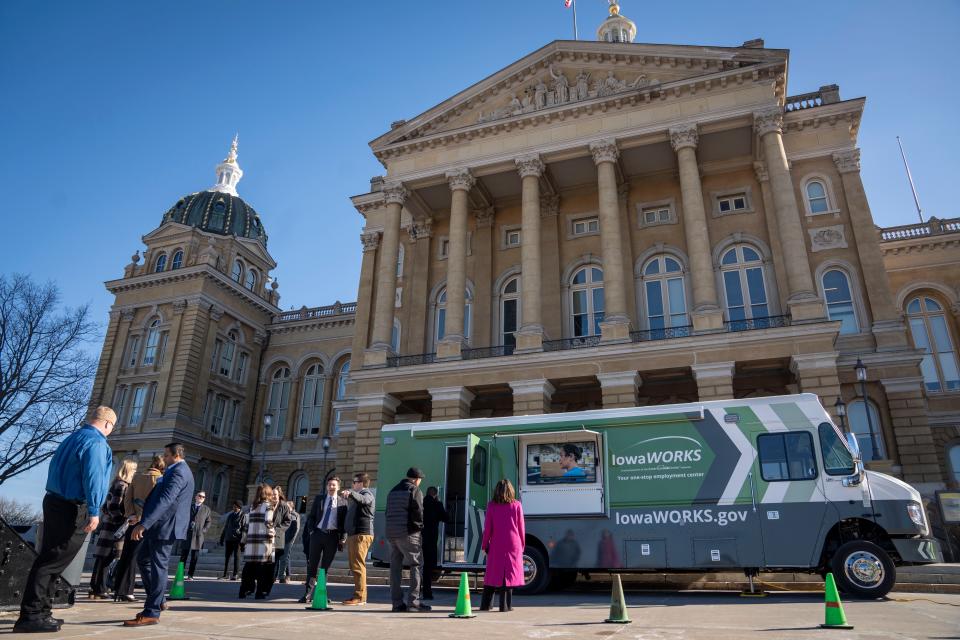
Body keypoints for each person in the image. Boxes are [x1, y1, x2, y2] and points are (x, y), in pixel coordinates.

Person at [14, 406, 116, 634]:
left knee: (50, 557)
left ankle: (41, 612)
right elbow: (94, 477)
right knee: (54, 560)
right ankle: (31, 614)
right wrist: (94, 510)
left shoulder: (72, 438)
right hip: (72, 507)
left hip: (53, 501)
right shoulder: (97, 443)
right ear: (108, 424)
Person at [123, 442, 195, 627]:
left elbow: (166, 500)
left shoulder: (179, 472)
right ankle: (159, 599)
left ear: (176, 455)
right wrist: (141, 518)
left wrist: (144, 524)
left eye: (167, 455)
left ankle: (152, 611)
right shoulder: (173, 470)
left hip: (165, 526)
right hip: (159, 525)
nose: (165, 459)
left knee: (158, 567)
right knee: (144, 560)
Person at [113, 454, 164, 602]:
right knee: (139, 558)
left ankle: (120, 589)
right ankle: (128, 591)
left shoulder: (137, 477)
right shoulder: (160, 480)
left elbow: (127, 499)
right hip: (147, 524)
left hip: (133, 521)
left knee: (127, 555)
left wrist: (131, 515)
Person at [89, 458, 137, 598]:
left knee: (105, 557)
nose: (135, 472)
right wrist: (121, 521)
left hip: (110, 525)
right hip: (114, 527)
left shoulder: (116, 483)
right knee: (107, 557)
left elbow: (106, 506)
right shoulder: (122, 485)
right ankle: (100, 588)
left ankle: (97, 587)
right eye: (133, 469)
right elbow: (113, 506)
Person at [385, 467, 429, 613]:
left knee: (395, 568)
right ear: (417, 479)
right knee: (416, 564)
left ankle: (396, 604)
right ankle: (413, 603)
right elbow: (418, 512)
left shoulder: (393, 491)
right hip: (408, 533)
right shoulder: (414, 490)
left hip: (392, 533)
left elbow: (387, 512)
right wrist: (419, 528)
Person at [480, 478, 525, 612]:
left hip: (496, 543)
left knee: (493, 573)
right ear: (511, 490)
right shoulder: (517, 505)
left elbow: (487, 528)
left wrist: (484, 545)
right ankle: (505, 606)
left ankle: (486, 605)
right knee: (509, 575)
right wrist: (522, 545)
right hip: (514, 543)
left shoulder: (491, 505)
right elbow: (521, 527)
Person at [299, 477, 347, 603]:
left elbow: (344, 523)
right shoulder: (319, 499)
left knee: (325, 567)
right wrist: (311, 531)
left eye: (334, 485)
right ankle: (307, 594)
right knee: (312, 565)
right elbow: (312, 516)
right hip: (317, 534)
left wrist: (343, 538)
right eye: (329, 485)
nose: (331, 487)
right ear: (326, 486)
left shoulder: (343, 502)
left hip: (332, 537)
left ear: (338, 487)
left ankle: (321, 594)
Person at [340, 472, 375, 605]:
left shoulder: (367, 494)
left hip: (361, 535)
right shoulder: (357, 497)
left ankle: (360, 597)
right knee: (355, 565)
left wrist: (350, 493)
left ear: (360, 483)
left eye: (354, 482)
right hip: (354, 535)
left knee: (358, 565)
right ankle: (360, 595)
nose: (352, 484)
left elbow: (364, 500)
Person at [239, 484, 275, 599]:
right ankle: (259, 592)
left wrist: (244, 539)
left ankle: (242, 591)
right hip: (263, 539)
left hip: (251, 539)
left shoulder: (253, 507)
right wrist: (273, 532)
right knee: (262, 568)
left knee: (248, 567)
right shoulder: (268, 506)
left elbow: (247, 524)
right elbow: (268, 522)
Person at [421, 486, 448, 600]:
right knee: (428, 567)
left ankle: (417, 590)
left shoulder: (421, 503)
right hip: (431, 540)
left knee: (417, 566)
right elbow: (446, 518)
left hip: (418, 538)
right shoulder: (437, 505)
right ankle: (427, 592)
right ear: (436, 494)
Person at [184, 490, 211, 580]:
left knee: (194, 557)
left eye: (203, 497)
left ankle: (190, 575)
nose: (201, 498)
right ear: (196, 496)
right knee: (183, 556)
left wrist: (204, 530)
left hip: (198, 536)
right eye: (200, 496)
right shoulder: (189, 507)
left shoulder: (206, 509)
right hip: (187, 534)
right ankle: (180, 573)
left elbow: (208, 521)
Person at [271, 486, 294, 585]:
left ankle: (271, 580)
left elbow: (287, 521)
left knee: (275, 561)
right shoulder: (268, 505)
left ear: (279, 495)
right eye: (271, 494)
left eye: (275, 494)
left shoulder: (284, 506)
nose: (273, 496)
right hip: (266, 538)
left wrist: (277, 530)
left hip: (277, 537)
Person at [219, 501, 246, 580]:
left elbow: (244, 528)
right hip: (229, 538)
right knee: (227, 557)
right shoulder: (230, 515)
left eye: (235, 506)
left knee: (236, 557)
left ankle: (236, 574)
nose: (233, 508)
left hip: (237, 539)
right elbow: (226, 527)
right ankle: (225, 574)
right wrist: (222, 537)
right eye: (233, 506)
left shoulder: (243, 515)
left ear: (239, 507)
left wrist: (243, 541)